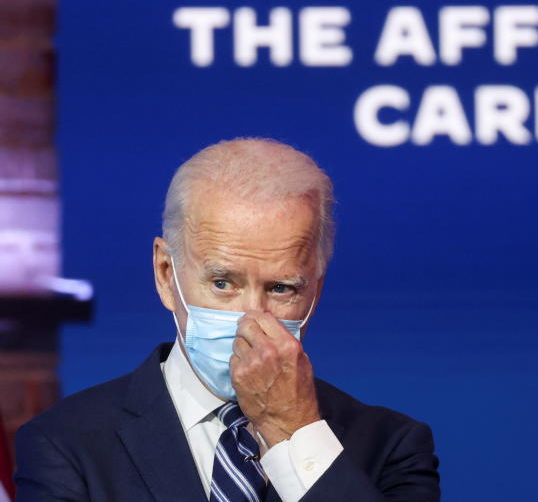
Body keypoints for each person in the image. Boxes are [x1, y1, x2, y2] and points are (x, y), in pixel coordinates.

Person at [14, 138, 441, 502]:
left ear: (316, 289)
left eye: (281, 289)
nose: (249, 320)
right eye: (222, 283)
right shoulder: (65, 443)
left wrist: (291, 430)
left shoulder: (392, 447)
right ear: (166, 274)